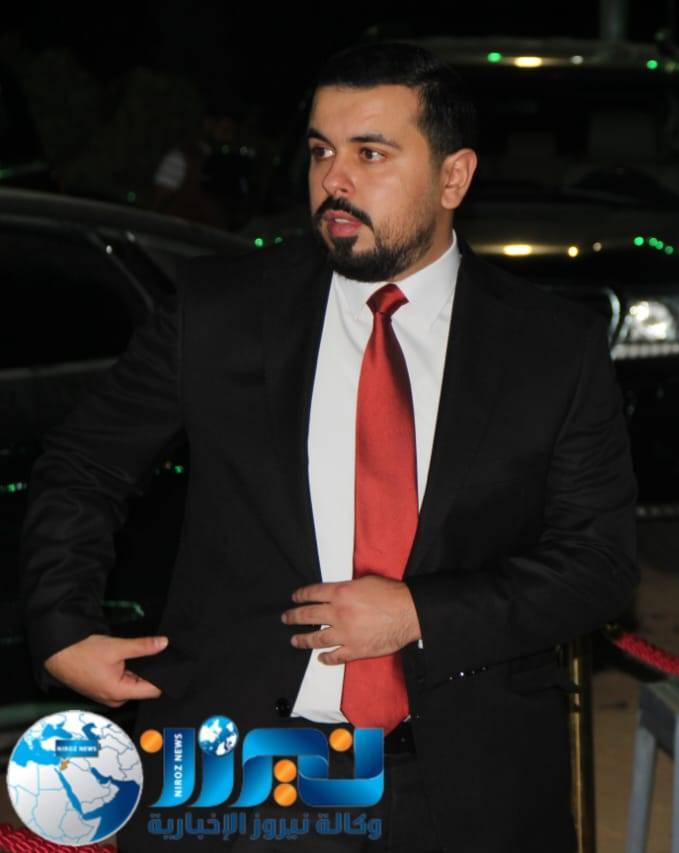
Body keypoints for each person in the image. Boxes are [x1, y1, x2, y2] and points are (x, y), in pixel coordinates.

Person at [20, 42, 637, 852]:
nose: (333, 181)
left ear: (453, 177)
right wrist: (62, 624)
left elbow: (599, 564)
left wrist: (420, 612)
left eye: (370, 154)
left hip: (465, 775)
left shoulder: (551, 347)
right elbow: (84, 464)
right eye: (320, 151)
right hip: (246, 770)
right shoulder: (221, 313)